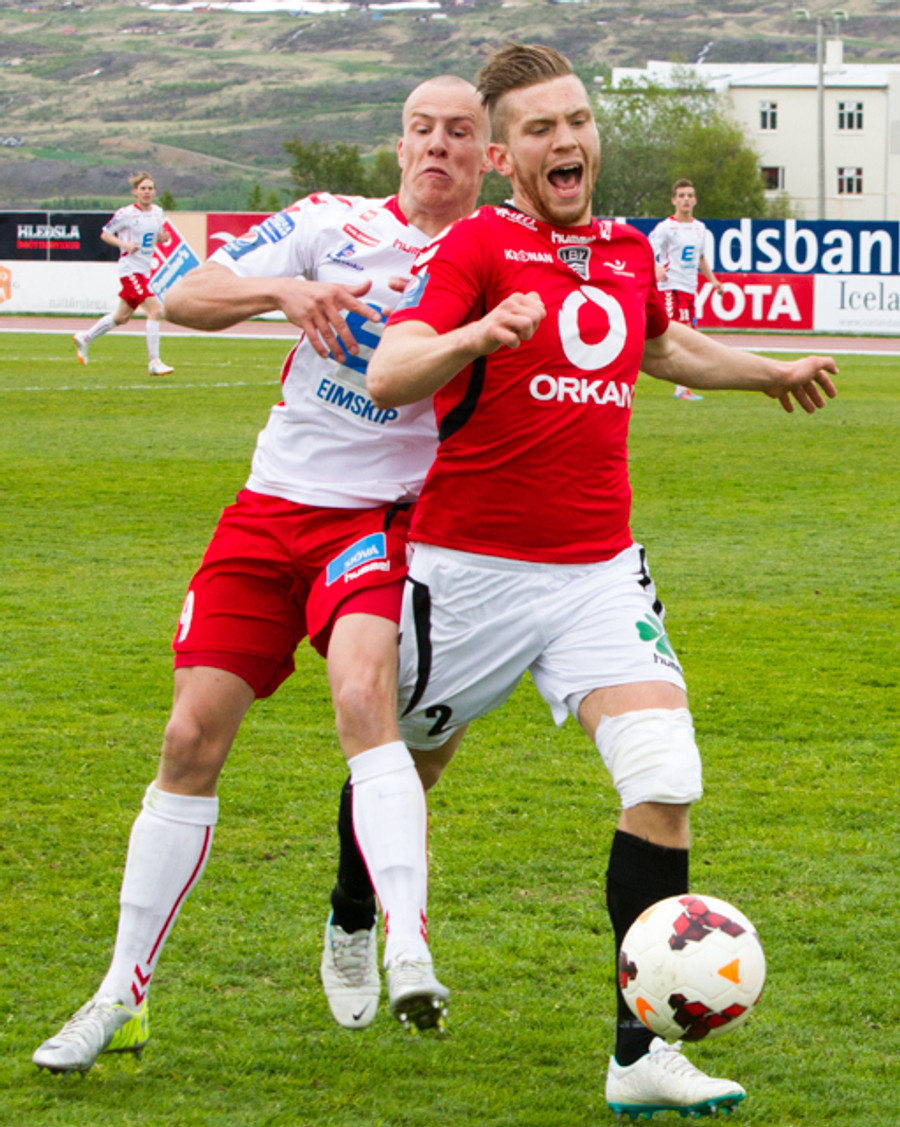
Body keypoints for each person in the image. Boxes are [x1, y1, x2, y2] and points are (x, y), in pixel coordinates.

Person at [364, 44, 837, 1120]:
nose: (566, 140)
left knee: (665, 774)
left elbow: (661, 349)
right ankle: (356, 909)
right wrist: (479, 332)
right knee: (405, 767)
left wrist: (768, 373)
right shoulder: (476, 246)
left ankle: (639, 1053)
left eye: (576, 120)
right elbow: (391, 371)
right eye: (539, 129)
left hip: (597, 574)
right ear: (502, 155)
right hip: (469, 573)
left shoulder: (625, 247)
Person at [32, 75, 491, 1076]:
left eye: (459, 131)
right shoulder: (328, 222)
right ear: (399, 144)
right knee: (189, 736)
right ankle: (121, 993)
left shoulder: (493, 253)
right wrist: (283, 291)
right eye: (421, 129)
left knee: (364, 695)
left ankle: (402, 943)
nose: (437, 146)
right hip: (270, 504)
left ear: (487, 152)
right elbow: (184, 294)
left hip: (385, 516)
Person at [73, 172, 175, 376]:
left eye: (150, 188)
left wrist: (162, 237)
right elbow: (105, 234)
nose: (147, 192)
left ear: (154, 191)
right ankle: (154, 362)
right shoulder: (126, 213)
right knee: (155, 310)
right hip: (130, 270)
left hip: (144, 271)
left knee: (121, 317)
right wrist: (125, 245)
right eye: (143, 188)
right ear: (135, 192)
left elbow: (155, 236)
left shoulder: (158, 212)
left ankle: (85, 337)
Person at [648, 179, 724, 401]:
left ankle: (682, 385)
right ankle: (681, 388)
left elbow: (701, 258)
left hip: (690, 289)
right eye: (681, 196)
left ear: (695, 200)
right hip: (672, 287)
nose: (686, 199)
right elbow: (647, 251)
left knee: (688, 336)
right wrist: (656, 268)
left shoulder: (699, 228)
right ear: (674, 200)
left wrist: (713, 281)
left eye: (689, 195)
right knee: (681, 336)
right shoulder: (666, 227)